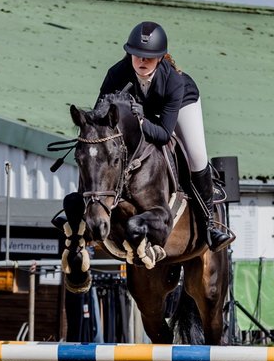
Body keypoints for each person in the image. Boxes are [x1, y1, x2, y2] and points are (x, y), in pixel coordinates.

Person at [97, 21, 233, 251]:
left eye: (148, 57)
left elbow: (162, 135)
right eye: (137, 55)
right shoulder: (117, 74)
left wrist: (140, 120)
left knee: (196, 155)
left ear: (160, 58)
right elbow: (100, 118)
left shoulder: (174, 81)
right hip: (143, 110)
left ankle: (210, 224)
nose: (141, 61)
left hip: (181, 106)